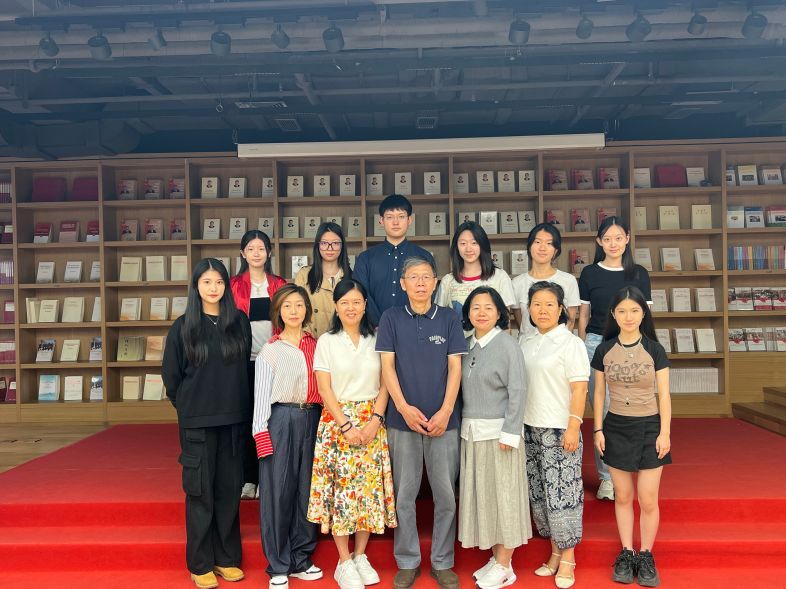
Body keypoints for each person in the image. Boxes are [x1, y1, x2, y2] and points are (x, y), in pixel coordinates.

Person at [375, 256, 467, 589]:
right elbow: (387, 367)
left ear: (435, 282)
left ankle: (442, 562)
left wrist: (446, 410)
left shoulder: (449, 318)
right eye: (413, 277)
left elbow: (455, 368)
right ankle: (408, 561)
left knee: (445, 495)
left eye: (426, 277)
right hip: (402, 421)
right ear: (402, 283)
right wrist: (402, 407)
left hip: (444, 420)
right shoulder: (390, 318)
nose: (420, 283)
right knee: (405, 495)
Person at [162, 258, 252, 589]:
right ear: (196, 286)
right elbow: (171, 378)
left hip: (233, 420)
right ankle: (200, 563)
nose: (213, 288)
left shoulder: (238, 322)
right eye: (206, 282)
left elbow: (244, 368)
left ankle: (226, 558)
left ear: (227, 286)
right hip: (197, 423)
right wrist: (190, 407)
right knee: (200, 493)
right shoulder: (183, 326)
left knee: (229, 490)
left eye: (219, 282)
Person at [307, 279, 397, 589]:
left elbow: (387, 381)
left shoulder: (378, 338)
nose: (351, 307)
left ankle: (360, 556)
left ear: (365, 304)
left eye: (356, 302)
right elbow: (324, 388)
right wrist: (346, 425)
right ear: (336, 306)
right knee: (342, 493)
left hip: (372, 419)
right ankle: (343, 561)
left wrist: (375, 420)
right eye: (344, 302)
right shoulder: (327, 341)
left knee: (367, 493)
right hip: (337, 423)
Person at [592, 287, 671, 588]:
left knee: (648, 498)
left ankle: (646, 555)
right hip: (615, 427)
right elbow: (599, 394)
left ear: (643, 313)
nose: (629, 316)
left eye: (635, 311)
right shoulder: (604, 350)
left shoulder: (655, 350)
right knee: (623, 496)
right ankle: (627, 553)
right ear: (613, 314)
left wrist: (665, 433)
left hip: (650, 427)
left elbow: (664, 395)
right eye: (622, 311)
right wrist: (598, 429)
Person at [458, 287, 531, 589]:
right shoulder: (466, 345)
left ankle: (505, 565)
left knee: (506, 498)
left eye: (489, 307)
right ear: (468, 312)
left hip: (500, 434)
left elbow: (518, 390)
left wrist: (511, 433)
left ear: (499, 312)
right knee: (486, 498)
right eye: (476, 307)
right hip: (471, 434)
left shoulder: (507, 345)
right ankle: (497, 558)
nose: (482, 313)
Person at [254, 284, 324, 589]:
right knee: (277, 492)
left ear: (307, 309)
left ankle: (301, 558)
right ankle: (278, 565)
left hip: (313, 418)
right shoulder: (270, 350)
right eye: (287, 306)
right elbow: (260, 398)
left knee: (307, 491)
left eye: (299, 305)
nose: (293, 311)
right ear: (278, 312)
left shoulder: (318, 346)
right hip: (280, 419)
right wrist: (261, 436)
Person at [521, 281, 590, 589]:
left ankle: (569, 559)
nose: (543, 310)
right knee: (540, 494)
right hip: (529, 427)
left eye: (550, 304)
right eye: (536, 304)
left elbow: (580, 388)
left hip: (560, 429)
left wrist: (573, 426)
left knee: (564, 494)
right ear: (528, 309)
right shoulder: (525, 341)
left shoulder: (570, 343)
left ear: (561, 309)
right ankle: (554, 554)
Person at [578, 216, 652, 501]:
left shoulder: (639, 273)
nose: (613, 243)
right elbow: (583, 316)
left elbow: (645, 315)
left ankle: (627, 467)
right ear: (599, 241)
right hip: (596, 344)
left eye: (618, 238)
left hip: (631, 345)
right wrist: (581, 348)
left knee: (629, 409)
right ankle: (608, 478)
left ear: (627, 239)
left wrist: (645, 349)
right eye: (607, 238)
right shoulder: (589, 273)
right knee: (604, 409)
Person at [231, 230, 288, 501]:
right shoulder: (232, 286)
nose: (256, 253)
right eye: (251, 248)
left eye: (261, 248)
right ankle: (248, 478)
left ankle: (268, 476)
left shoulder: (280, 284)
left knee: (272, 419)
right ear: (243, 253)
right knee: (246, 420)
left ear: (269, 252)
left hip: (274, 362)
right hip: (243, 363)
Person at [354, 194, 436, 323]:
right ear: (382, 220)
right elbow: (360, 294)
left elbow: (429, 293)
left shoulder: (424, 257)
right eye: (390, 217)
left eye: (401, 216)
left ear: (409, 220)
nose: (395, 222)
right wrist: (378, 324)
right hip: (373, 330)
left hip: (415, 327)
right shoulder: (365, 258)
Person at [435, 221, 515, 327]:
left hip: (492, 338)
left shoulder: (500, 277)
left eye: (474, 243)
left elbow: (505, 324)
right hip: (458, 338)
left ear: (482, 244)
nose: (468, 249)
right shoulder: (448, 281)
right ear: (456, 247)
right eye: (463, 243)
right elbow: (440, 320)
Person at [511, 223, 580, 342]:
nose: (542, 248)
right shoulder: (516, 283)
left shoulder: (569, 280)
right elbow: (521, 323)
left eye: (549, 243)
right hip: (527, 345)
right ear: (529, 246)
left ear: (555, 250)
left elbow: (570, 321)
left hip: (559, 345)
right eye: (537, 242)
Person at [295, 221, 353, 338]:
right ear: (318, 245)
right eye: (324, 243)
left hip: (344, 341)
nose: (329, 248)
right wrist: (308, 339)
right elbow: (297, 310)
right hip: (312, 340)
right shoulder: (304, 275)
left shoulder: (352, 277)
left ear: (342, 246)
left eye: (335, 243)